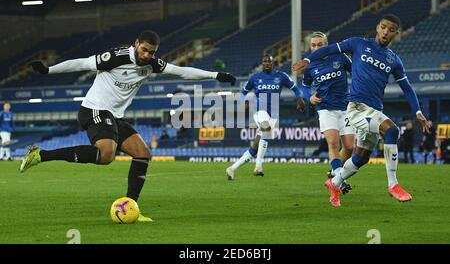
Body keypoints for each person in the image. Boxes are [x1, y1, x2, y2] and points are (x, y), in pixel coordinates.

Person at [20, 30, 236, 221]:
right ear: (136, 44)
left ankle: (130, 207)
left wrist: (215, 75)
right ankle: (40, 154)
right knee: (106, 155)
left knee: (142, 153)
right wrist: (48, 70)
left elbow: (181, 71)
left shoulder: (152, 64)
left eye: (152, 52)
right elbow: (83, 63)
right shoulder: (116, 57)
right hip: (94, 109)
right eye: (144, 50)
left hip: (115, 116)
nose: (147, 56)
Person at [293, 14, 431, 207]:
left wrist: (418, 112)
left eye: (391, 30)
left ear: (396, 34)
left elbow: (407, 88)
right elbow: (330, 48)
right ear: (377, 27)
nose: (385, 31)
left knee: (360, 157)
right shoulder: (357, 44)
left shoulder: (394, 60)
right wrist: (307, 60)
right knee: (391, 131)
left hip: (373, 109)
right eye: (383, 27)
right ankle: (393, 185)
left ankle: (334, 183)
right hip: (357, 108)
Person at [226, 54, 306, 180]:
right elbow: (242, 93)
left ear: (273, 62)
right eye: (265, 61)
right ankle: (258, 166)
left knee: (255, 147)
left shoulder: (281, 76)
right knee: (266, 128)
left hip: (273, 114)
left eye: (269, 61)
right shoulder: (255, 78)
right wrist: (243, 102)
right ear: (262, 63)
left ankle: (232, 169)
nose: (267, 63)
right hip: (259, 111)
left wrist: (299, 98)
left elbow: (295, 88)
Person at [301, 31, 354, 192]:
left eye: (320, 44)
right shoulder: (309, 66)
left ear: (327, 44)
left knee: (350, 147)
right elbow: (304, 86)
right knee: (332, 143)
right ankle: (339, 181)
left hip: (345, 108)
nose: (316, 47)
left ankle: (333, 173)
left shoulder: (341, 57)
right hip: (325, 108)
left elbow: (356, 72)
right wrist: (309, 97)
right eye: (313, 45)